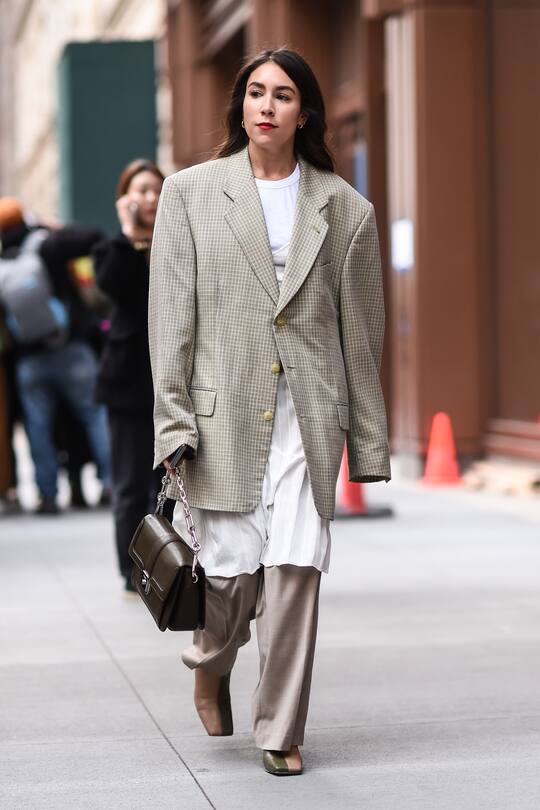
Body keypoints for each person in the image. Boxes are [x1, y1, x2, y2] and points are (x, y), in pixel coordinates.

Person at [148, 48, 391, 775]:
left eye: (282, 95)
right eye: (255, 92)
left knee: (296, 567)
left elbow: (363, 333)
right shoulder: (190, 194)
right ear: (240, 105)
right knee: (229, 577)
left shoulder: (346, 209)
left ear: (304, 112)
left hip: (308, 417)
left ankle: (280, 730)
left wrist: (369, 444)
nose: (266, 105)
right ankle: (210, 659)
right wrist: (173, 421)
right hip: (221, 415)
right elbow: (171, 320)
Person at [0, 198, 111, 514]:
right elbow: (93, 237)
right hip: (71, 349)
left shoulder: (3, 262)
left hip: (29, 361)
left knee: (38, 428)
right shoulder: (47, 245)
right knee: (95, 415)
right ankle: (109, 482)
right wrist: (51, 226)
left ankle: (47, 495)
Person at [94, 159, 173, 592]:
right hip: (126, 384)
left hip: (169, 383)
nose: (149, 198)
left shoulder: (177, 245)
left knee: (165, 484)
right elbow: (119, 288)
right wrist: (130, 234)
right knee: (128, 485)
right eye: (140, 190)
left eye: (157, 189)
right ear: (125, 197)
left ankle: (162, 570)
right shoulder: (112, 250)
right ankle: (130, 572)